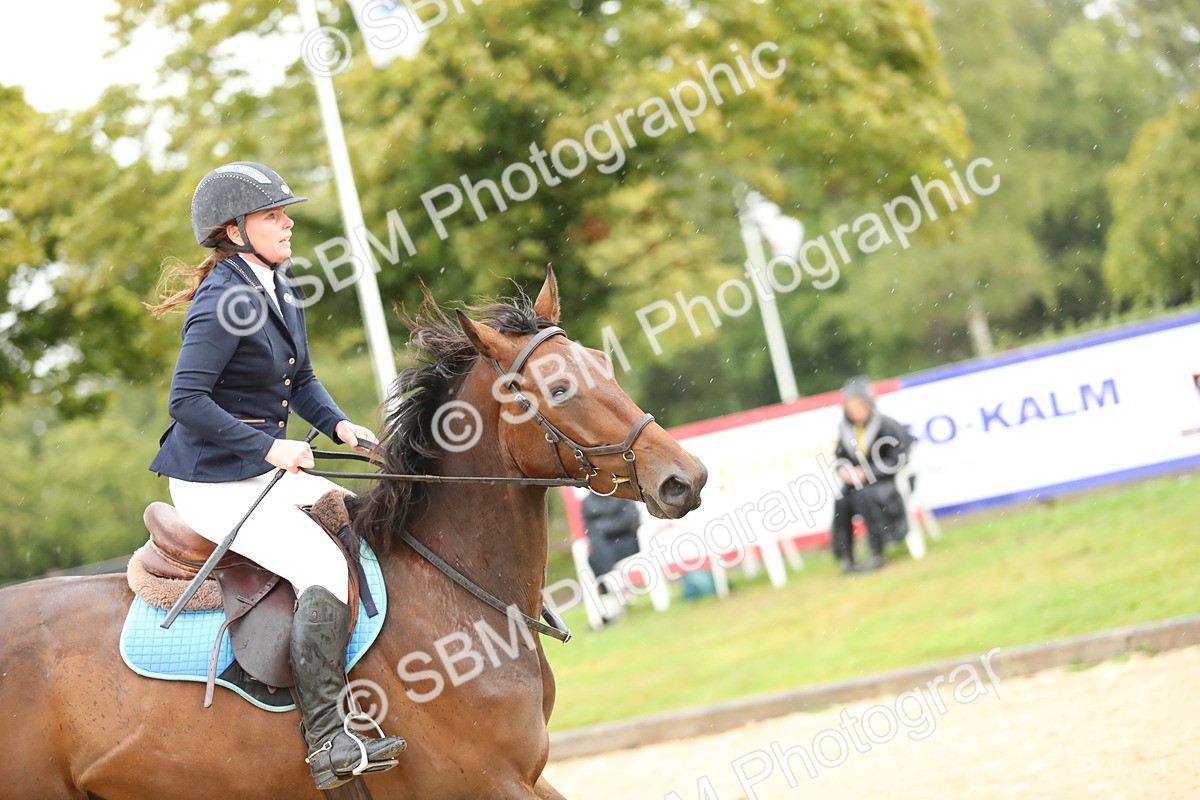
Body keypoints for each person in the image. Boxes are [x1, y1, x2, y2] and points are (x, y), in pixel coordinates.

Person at [146, 162, 405, 790]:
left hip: (257, 466)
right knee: (318, 563)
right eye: (272, 215)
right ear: (235, 232)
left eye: (283, 212)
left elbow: (304, 379)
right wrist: (269, 447)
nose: (288, 222)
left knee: (360, 517)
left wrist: (342, 426)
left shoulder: (279, 284)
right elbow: (187, 401)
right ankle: (327, 742)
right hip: (213, 482)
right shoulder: (218, 304)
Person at [829, 375, 914, 573]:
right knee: (842, 500)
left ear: (868, 404)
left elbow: (899, 458)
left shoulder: (886, 426)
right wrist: (845, 471)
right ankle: (847, 557)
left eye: (859, 406)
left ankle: (877, 552)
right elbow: (841, 458)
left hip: (886, 482)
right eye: (851, 408)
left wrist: (867, 473)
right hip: (858, 485)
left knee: (866, 497)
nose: (856, 411)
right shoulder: (846, 430)